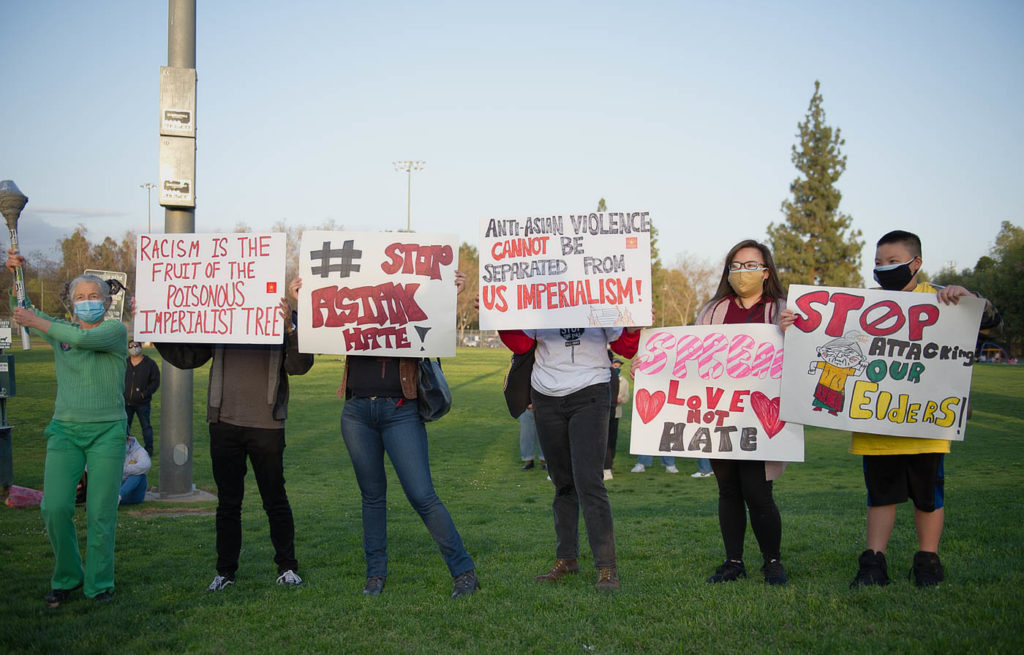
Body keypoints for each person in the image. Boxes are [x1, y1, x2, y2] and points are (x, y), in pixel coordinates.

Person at [840, 230, 1001, 588]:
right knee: (880, 496)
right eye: (879, 263)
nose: (884, 268)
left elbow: (993, 320)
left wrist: (970, 297)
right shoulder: (863, 304)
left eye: (893, 261)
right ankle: (874, 563)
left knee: (929, 496)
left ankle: (928, 561)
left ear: (917, 263)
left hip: (927, 424)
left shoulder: (942, 299)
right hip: (877, 423)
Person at [154, 278, 313, 591]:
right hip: (224, 423)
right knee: (228, 503)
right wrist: (153, 325)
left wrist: (291, 328)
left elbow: (299, 365)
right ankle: (225, 572)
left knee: (275, 499)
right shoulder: (222, 318)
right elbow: (188, 357)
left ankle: (287, 566)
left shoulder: (281, 320)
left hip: (267, 424)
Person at [338, 271, 479, 599]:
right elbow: (326, 325)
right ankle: (375, 575)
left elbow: (432, 329)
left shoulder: (408, 307)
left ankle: (464, 571)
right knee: (371, 497)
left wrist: (449, 295)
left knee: (422, 494)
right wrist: (307, 297)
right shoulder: (358, 306)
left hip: (400, 410)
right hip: (357, 411)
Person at [7, 251, 127, 607]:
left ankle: (99, 584)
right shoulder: (62, 331)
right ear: (71, 304)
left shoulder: (113, 331)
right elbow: (24, 310)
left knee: (100, 511)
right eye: (80, 297)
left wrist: (35, 320)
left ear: (106, 302)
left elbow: (81, 340)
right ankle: (68, 576)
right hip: (65, 431)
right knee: (55, 507)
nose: (87, 302)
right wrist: (18, 274)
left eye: (94, 296)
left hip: (108, 431)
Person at [500, 324, 641, 591]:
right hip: (545, 394)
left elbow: (625, 348)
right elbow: (521, 344)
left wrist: (632, 329)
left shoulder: (600, 292)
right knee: (562, 483)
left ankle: (606, 568)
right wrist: (498, 314)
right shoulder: (539, 291)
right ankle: (567, 559)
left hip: (591, 391)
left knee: (589, 482)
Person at [696, 239, 789, 586]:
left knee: (758, 492)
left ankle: (773, 561)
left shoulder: (782, 310)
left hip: (761, 416)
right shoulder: (713, 311)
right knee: (728, 490)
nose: (742, 272)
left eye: (751, 265)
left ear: (766, 272)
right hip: (720, 412)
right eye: (736, 265)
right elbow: (690, 358)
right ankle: (733, 561)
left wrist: (795, 332)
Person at [124, 339, 160, 455]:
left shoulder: (150, 364)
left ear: (141, 347)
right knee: (124, 428)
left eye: (136, 345)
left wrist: (145, 394)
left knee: (146, 427)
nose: (134, 348)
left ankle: (149, 449)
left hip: (142, 403)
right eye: (131, 346)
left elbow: (155, 382)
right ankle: (124, 449)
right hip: (126, 403)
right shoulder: (124, 363)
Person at [602, 357, 630, 480]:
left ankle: (609, 463)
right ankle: (606, 465)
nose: (617, 367)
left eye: (619, 366)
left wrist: (620, 400)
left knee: (611, 439)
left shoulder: (622, 380)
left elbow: (626, 396)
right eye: (615, 365)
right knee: (605, 438)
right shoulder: (607, 376)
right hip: (608, 409)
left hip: (614, 411)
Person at [119, 435, 151, 506]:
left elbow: (145, 466)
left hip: (135, 492)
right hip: (118, 484)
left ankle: (118, 497)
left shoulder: (140, 451)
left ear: (129, 440)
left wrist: (121, 469)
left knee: (139, 475)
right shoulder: (111, 450)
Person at [519, 405, 545, 470]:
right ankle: (528, 461)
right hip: (525, 407)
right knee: (526, 435)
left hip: (542, 405)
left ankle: (544, 462)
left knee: (544, 435)